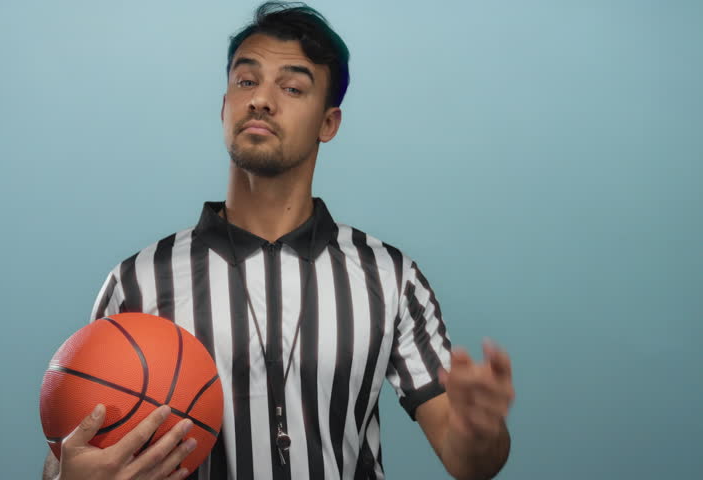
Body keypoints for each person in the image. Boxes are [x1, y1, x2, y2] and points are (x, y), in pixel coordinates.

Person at [42, 2, 515, 479]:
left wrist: (479, 431)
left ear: (328, 123)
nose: (261, 100)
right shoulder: (138, 282)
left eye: (291, 87)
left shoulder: (390, 277)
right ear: (224, 106)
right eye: (246, 81)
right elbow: (71, 457)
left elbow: (469, 461)